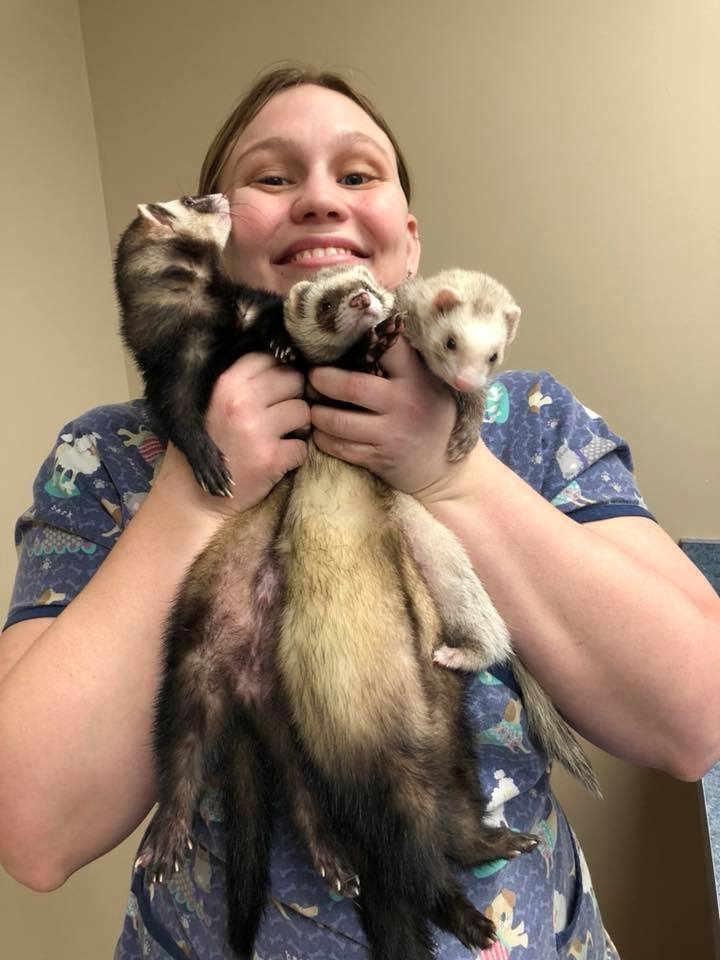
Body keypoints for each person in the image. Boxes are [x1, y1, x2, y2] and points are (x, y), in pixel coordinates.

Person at [1, 66, 718, 960]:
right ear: (216, 238)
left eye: (358, 174)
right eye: (271, 177)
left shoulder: (526, 423)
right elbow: (32, 830)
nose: (318, 200)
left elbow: (696, 717)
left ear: (408, 245)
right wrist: (197, 490)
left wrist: (453, 476)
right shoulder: (110, 459)